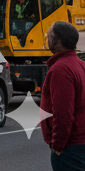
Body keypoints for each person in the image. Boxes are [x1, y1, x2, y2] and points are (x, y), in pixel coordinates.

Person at [42, 20, 85, 169]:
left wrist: (58, 145)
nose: (47, 38)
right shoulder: (80, 65)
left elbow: (63, 113)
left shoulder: (61, 69)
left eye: (49, 35)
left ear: (57, 40)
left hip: (70, 147)